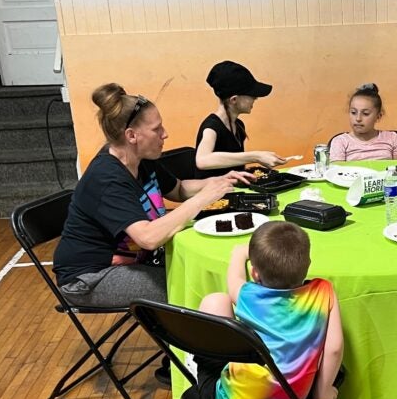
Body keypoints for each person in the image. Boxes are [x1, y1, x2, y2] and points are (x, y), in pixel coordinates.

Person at [53, 83, 253, 309]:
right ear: (131, 135)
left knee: (203, 275)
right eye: (157, 129)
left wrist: (220, 180)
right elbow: (148, 238)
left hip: (131, 261)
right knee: (198, 283)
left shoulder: (141, 159)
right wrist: (201, 199)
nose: (165, 134)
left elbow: (178, 189)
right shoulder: (106, 178)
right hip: (89, 278)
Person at [196, 221, 344, 399]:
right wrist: (322, 393)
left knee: (215, 301)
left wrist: (238, 254)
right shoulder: (323, 291)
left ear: (254, 273)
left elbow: (233, 281)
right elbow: (334, 349)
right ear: (308, 263)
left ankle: (195, 362)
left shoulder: (249, 295)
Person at [195, 61, 288, 178]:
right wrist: (255, 156)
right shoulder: (212, 127)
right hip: (214, 194)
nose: (256, 98)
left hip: (234, 189)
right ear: (234, 100)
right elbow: (202, 160)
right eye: (251, 95)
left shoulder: (238, 125)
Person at [329, 83, 397, 161]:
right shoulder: (340, 142)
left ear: (378, 116)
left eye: (365, 114)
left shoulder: (392, 138)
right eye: (353, 112)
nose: (358, 118)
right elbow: (337, 171)